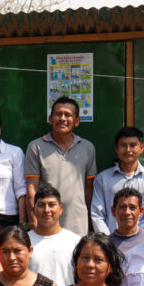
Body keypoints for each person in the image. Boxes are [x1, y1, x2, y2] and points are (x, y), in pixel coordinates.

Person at [24, 96, 97, 235]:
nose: (62, 118)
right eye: (58, 114)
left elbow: (89, 188)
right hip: (46, 220)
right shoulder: (36, 147)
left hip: (78, 223)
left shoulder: (87, 148)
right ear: (50, 119)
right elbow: (32, 187)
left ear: (77, 121)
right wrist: (33, 219)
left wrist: (90, 220)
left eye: (68, 115)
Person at [90, 127, 144, 235]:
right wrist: (107, 241)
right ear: (116, 148)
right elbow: (97, 214)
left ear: (141, 148)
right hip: (111, 243)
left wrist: (142, 238)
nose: (128, 150)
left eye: (133, 145)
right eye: (123, 145)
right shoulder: (102, 178)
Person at [28, 185, 81, 286]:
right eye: (41, 205)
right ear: (33, 209)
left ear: (61, 209)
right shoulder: (24, 241)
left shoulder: (76, 241)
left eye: (51, 205)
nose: (47, 210)